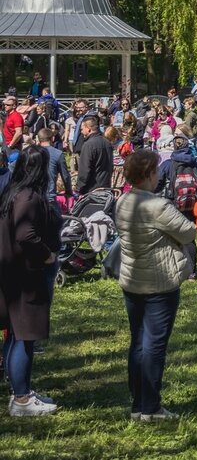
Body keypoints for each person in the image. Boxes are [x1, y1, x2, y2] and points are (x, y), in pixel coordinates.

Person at [115, 149, 197, 421]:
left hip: (132, 279)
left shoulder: (123, 201)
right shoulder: (157, 206)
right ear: (149, 174)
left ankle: (138, 403)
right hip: (159, 282)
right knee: (154, 345)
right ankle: (150, 406)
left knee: (138, 341)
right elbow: (188, 231)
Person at [0, 147, 62, 416]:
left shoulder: (12, 193)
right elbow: (26, 234)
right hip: (25, 273)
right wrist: (47, 255)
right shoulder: (28, 197)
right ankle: (22, 398)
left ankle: (21, 389)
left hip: (12, 271)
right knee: (25, 335)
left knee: (17, 334)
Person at [76, 118, 114, 195]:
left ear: (88, 129)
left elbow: (84, 170)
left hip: (92, 189)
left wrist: (79, 188)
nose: (81, 131)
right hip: (106, 186)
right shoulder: (107, 143)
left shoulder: (88, 145)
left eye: (82, 129)